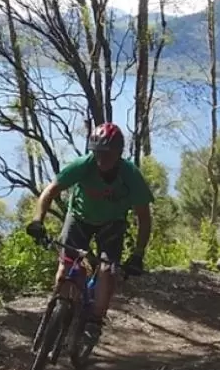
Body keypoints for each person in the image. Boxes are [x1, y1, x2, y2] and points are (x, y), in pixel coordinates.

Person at [25, 122, 153, 350]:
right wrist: (38, 221)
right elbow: (50, 191)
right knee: (66, 267)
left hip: (112, 223)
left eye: (108, 154)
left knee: (106, 271)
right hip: (80, 218)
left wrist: (138, 254)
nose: (102, 159)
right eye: (98, 153)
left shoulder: (129, 174)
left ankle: (94, 321)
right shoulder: (83, 166)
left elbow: (144, 217)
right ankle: (60, 306)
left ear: (118, 153)